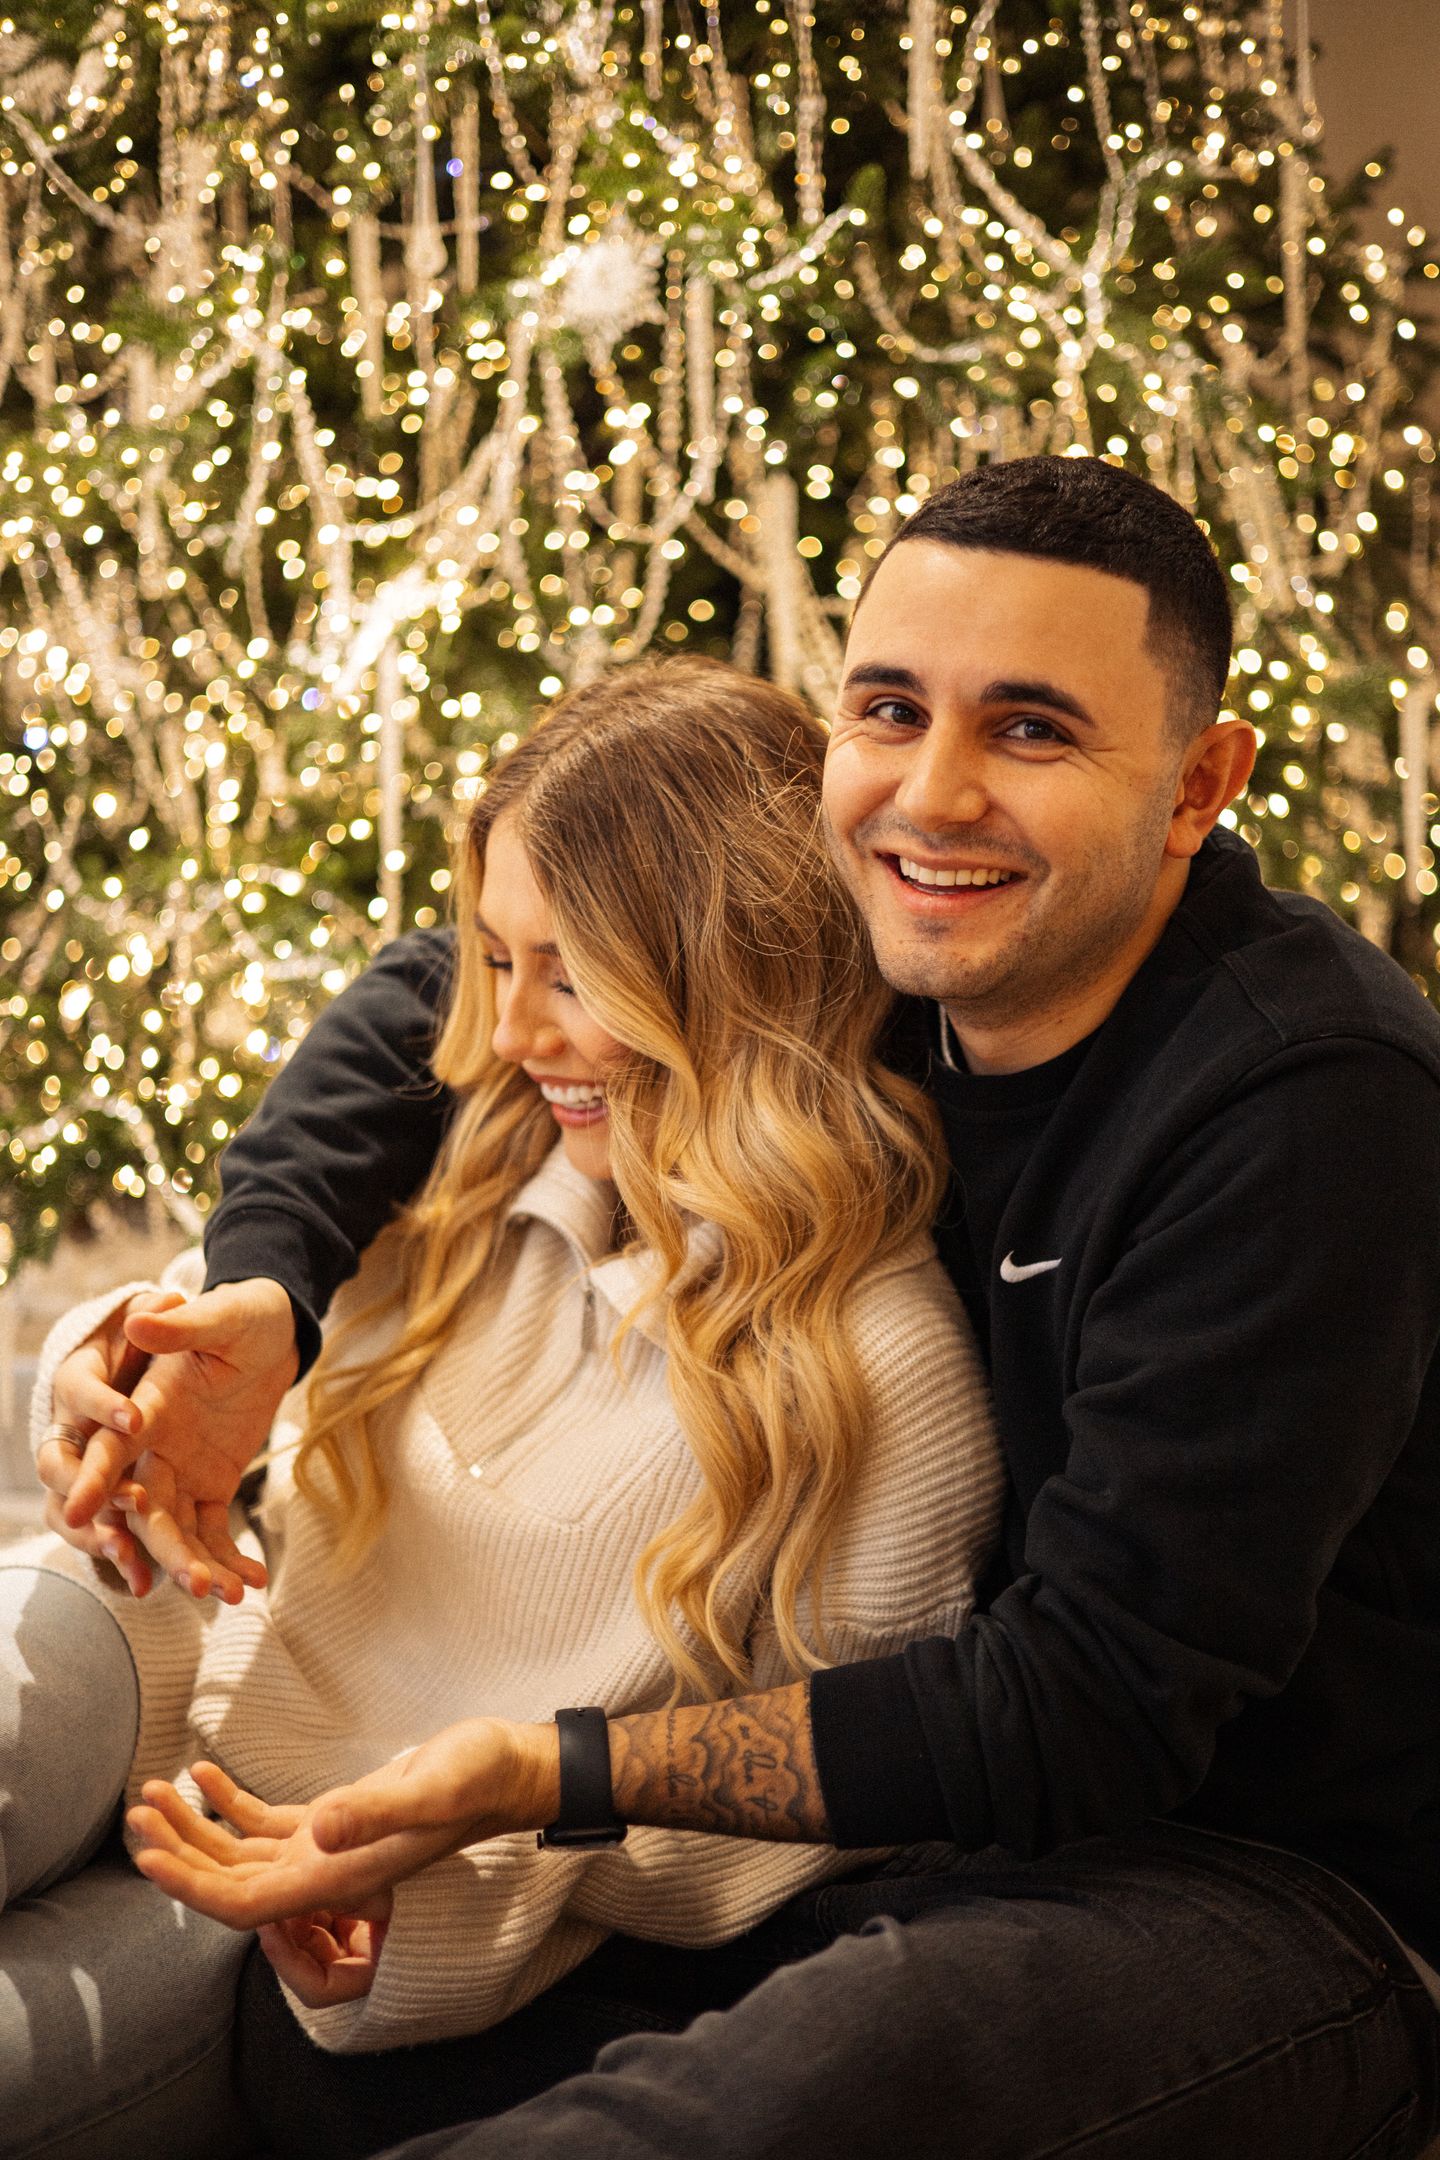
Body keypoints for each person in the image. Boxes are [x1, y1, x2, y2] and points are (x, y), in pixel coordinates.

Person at [49, 455, 1440, 2159]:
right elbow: (448, 978)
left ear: (1198, 783)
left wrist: (545, 1769)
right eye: (889, 709)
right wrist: (268, 1286)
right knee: (356, 2063)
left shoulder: (1304, 1103)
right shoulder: (898, 914)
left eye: (1032, 729)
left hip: (1262, 1880)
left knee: (730, 2108)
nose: (935, 793)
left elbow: (1093, 1708)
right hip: (930, 1832)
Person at [10, 662, 1003, 2159]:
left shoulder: (886, 1365)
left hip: (306, 1860)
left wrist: (440, 1903)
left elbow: (804, 1810)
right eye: (492, 959)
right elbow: (225, 1329)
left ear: (727, 973)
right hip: (149, 1642)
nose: (512, 1029)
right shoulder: (473, 1153)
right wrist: (117, 1377)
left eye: (572, 974)